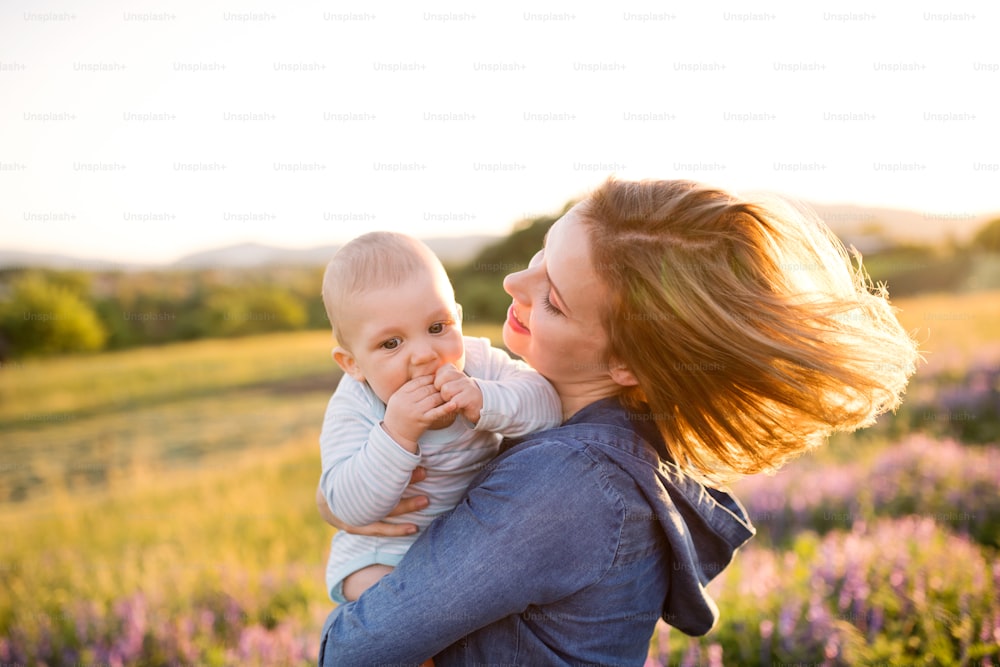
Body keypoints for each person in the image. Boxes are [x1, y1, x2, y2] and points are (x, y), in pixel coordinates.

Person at [316, 178, 919, 665]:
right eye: (538, 256)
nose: (512, 283)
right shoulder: (608, 441)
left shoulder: (565, 482)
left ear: (627, 361)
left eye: (553, 298)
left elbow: (350, 652)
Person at [317, 231, 563, 605]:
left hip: (466, 547)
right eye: (391, 343)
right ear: (352, 364)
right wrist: (396, 433)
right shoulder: (356, 404)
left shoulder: (479, 364)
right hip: (384, 554)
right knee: (386, 609)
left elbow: (547, 406)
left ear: (458, 319)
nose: (424, 355)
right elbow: (346, 504)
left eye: (437, 328)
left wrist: (485, 398)